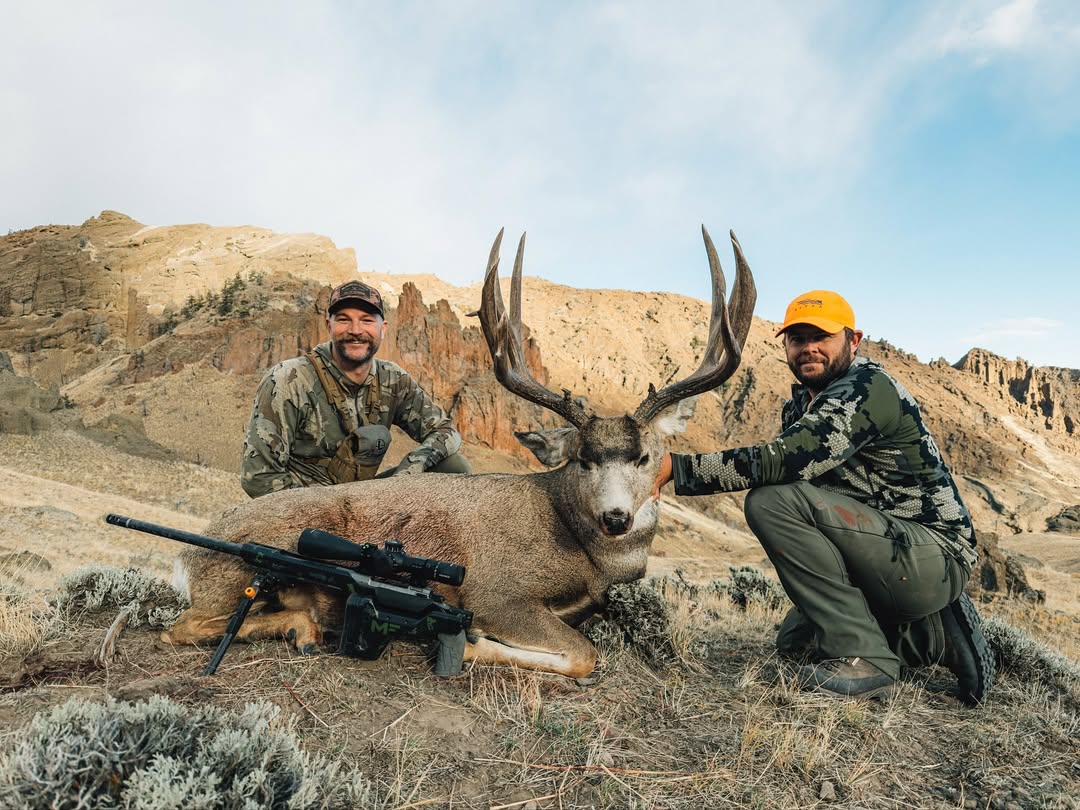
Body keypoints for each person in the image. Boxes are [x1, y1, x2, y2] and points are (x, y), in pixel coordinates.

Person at [651, 290, 994, 703]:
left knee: (770, 501)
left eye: (822, 336)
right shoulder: (801, 406)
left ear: (854, 341)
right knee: (796, 645)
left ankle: (867, 659)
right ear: (785, 346)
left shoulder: (867, 388)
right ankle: (933, 633)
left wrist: (677, 469)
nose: (809, 347)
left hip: (931, 554)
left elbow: (783, 461)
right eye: (798, 338)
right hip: (882, 550)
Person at [240, 280, 471, 498]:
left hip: (363, 503)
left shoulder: (392, 379)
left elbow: (445, 430)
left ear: (383, 328)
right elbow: (258, 478)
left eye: (367, 320)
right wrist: (320, 518)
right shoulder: (288, 380)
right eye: (344, 319)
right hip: (306, 510)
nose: (356, 330)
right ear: (329, 325)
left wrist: (410, 470)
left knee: (453, 468)